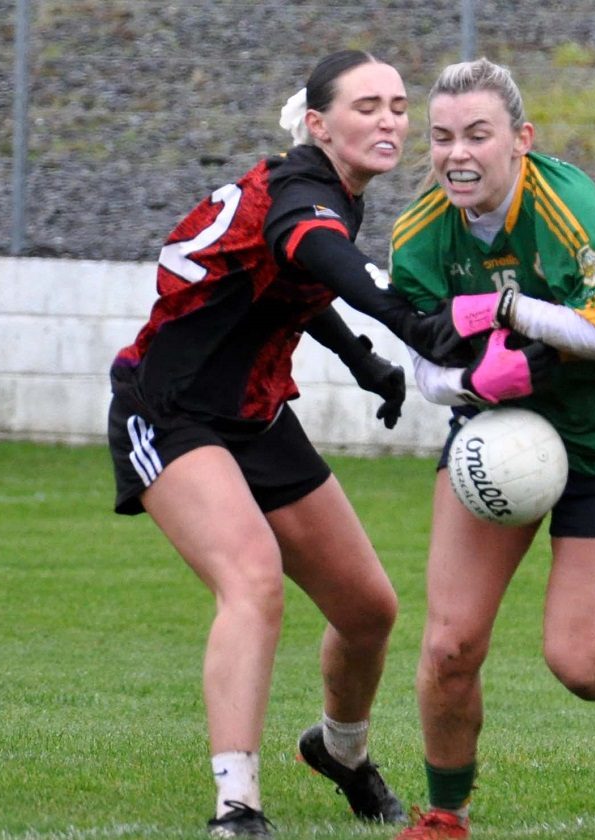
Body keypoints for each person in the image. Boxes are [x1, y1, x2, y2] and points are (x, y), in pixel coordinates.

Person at [105, 50, 451, 836]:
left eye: (398, 105)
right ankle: (237, 806)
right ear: (320, 125)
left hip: (256, 415)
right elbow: (311, 249)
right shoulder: (302, 192)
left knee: (368, 610)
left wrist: (361, 360)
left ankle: (341, 752)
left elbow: (289, 278)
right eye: (367, 107)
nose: (390, 119)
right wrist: (402, 321)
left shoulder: (325, 189)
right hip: (169, 411)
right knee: (252, 579)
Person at [385, 58, 595, 839]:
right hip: (499, 431)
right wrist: (475, 387)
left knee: (581, 661)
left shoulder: (567, 204)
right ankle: (445, 814)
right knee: (451, 643)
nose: (458, 154)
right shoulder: (420, 234)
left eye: (478, 136)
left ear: (521, 141)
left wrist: (511, 319)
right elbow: (424, 369)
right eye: (442, 137)